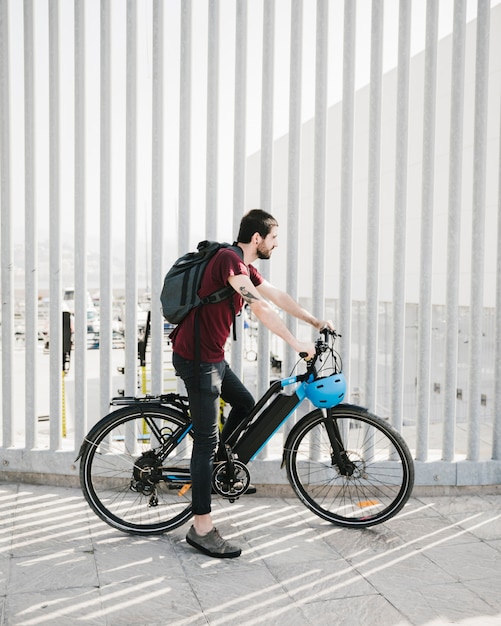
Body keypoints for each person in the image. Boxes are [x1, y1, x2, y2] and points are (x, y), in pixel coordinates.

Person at [170, 209, 333, 558]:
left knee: (245, 404)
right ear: (257, 238)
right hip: (198, 360)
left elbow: (276, 296)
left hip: (211, 358)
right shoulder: (229, 260)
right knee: (205, 440)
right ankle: (201, 528)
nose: (276, 244)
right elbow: (259, 307)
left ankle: (216, 467)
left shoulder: (244, 266)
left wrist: (315, 321)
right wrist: (296, 343)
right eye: (273, 238)